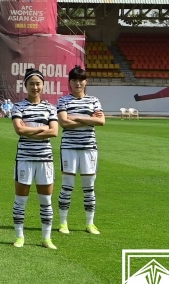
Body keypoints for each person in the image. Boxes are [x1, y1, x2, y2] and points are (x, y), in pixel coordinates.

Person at [11, 68, 60, 249]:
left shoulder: (50, 107)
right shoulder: (18, 107)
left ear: (43, 85)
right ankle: (19, 236)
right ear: (25, 86)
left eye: (38, 83)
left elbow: (54, 132)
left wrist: (30, 130)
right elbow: (19, 130)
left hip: (45, 159)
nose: (35, 87)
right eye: (31, 83)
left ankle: (46, 238)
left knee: (46, 201)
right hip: (24, 158)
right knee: (20, 200)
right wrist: (42, 129)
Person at [56, 66, 105, 235]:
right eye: (75, 80)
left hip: (89, 148)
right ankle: (63, 223)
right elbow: (63, 122)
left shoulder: (94, 100)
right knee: (67, 187)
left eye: (81, 80)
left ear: (86, 81)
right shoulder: (63, 101)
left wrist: (75, 117)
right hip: (69, 147)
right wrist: (89, 119)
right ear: (69, 82)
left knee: (88, 187)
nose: (78, 83)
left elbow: (101, 121)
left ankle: (90, 223)